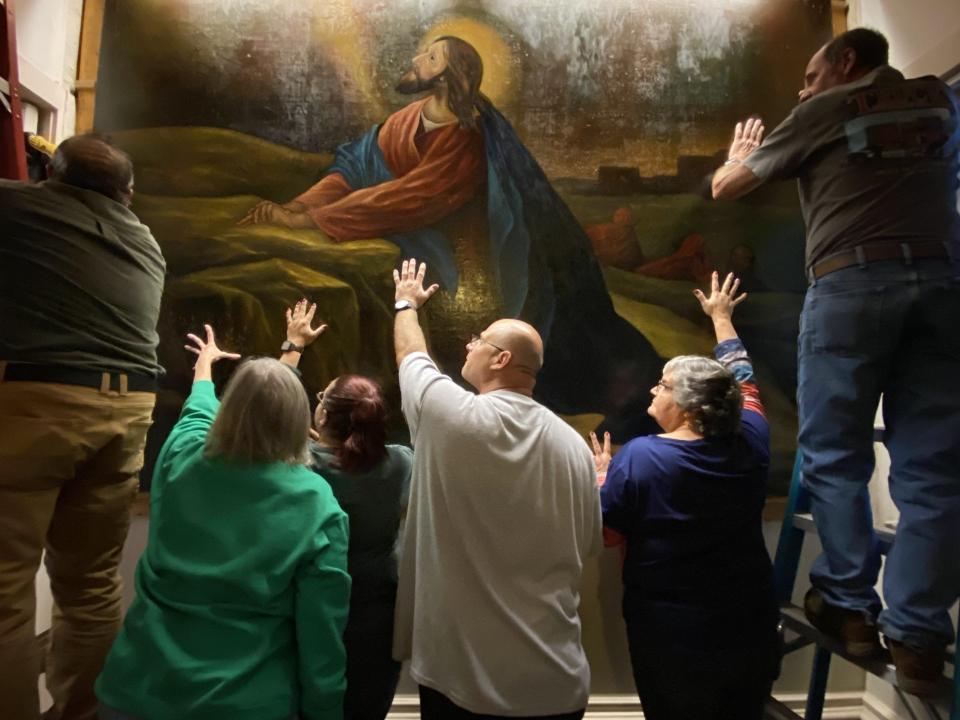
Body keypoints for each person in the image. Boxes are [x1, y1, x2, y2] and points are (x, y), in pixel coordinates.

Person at [711, 28, 960, 695]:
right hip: (943, 287)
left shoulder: (830, 107)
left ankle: (847, 603)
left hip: (853, 287)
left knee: (833, 448)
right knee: (936, 469)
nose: (803, 90)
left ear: (847, 63)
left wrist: (737, 155)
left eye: (811, 76)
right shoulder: (940, 102)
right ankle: (919, 635)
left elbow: (729, 187)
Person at [239, 35, 661, 427]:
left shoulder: (467, 134)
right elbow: (352, 170)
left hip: (473, 260)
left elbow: (412, 197)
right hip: (419, 241)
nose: (417, 60)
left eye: (430, 57)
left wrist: (311, 220)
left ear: (447, 74)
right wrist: (297, 206)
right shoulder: (404, 121)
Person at [94, 326, 351, 720]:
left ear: (229, 409)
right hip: (244, 702)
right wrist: (325, 710)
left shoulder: (182, 455)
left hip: (138, 690)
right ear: (299, 420)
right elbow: (322, 633)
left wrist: (205, 366)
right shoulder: (316, 503)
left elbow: (197, 409)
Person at [391, 259, 602, 720]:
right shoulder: (576, 449)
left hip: (464, 680)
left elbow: (411, 355)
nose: (469, 344)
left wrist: (406, 301)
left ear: (501, 359)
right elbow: (587, 548)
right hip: (556, 680)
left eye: (478, 340)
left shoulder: (448, 414)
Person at [0, 133, 165, 720]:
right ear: (129, 193)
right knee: (92, 587)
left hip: (36, 405)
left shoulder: (17, 206)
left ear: (52, 175)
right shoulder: (146, 244)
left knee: (5, 596)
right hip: (126, 417)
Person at [595, 272, 779, 720]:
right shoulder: (752, 437)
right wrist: (721, 318)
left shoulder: (639, 458)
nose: (654, 389)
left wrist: (603, 475)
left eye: (664, 383)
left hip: (670, 631)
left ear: (691, 404)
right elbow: (743, 379)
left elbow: (608, 536)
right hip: (749, 619)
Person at [279, 299, 413, 720]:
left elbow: (267, 408)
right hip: (378, 611)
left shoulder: (303, 464)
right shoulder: (401, 462)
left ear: (323, 413)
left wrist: (293, 344)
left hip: (313, 608)